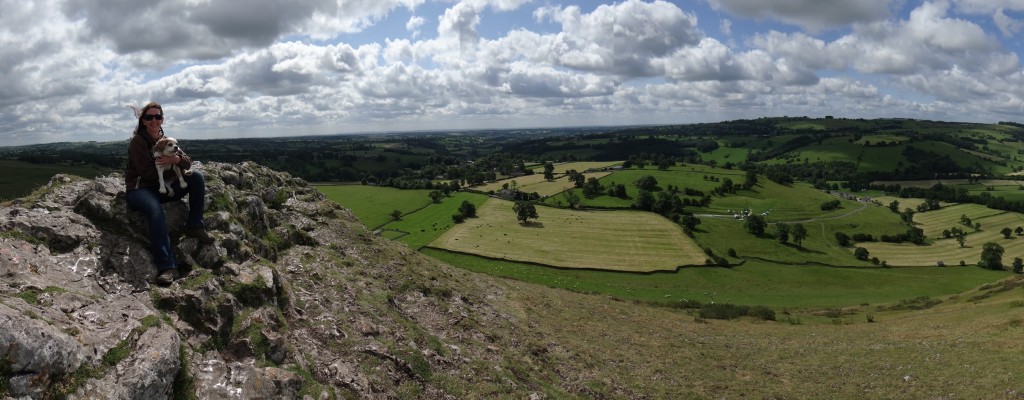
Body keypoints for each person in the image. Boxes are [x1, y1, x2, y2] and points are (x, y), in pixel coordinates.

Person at [124, 102, 213, 286]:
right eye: (149, 117)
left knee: (196, 177)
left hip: (163, 187)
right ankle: (167, 266)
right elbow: (148, 172)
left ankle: (195, 224)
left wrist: (176, 159)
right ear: (144, 121)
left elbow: (188, 164)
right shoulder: (138, 142)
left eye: (158, 116)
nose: (154, 120)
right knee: (155, 210)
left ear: (162, 119)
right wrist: (174, 166)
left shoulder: (167, 140)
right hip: (140, 189)